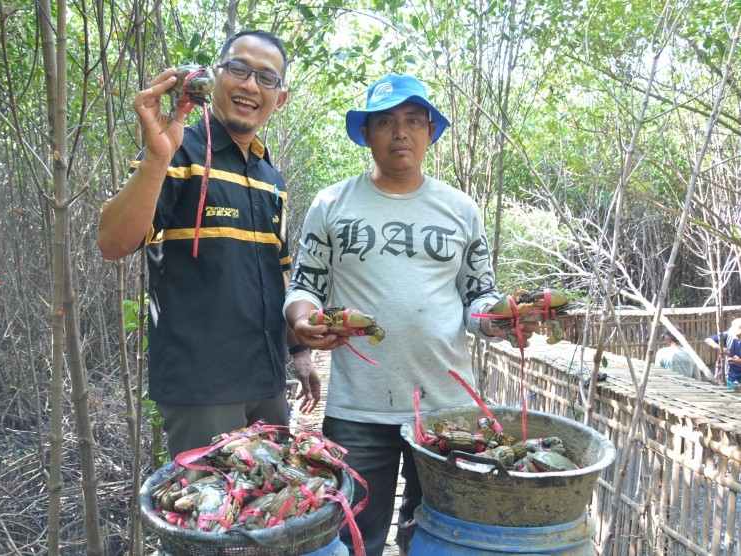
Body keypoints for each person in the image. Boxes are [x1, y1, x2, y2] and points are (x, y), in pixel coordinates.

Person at [284, 74, 535, 556]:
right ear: (367, 134)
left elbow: (479, 300)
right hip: (359, 408)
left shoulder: (460, 209)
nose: (401, 132)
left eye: (414, 121)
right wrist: (302, 320)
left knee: (440, 535)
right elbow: (305, 287)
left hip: (446, 411)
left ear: (430, 132)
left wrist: (504, 319)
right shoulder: (331, 204)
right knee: (354, 535)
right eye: (387, 122)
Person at [97, 29, 319, 458]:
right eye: (239, 69)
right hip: (204, 387)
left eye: (266, 78)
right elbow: (112, 242)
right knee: (211, 516)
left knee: (269, 508)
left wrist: (300, 352)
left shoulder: (271, 177)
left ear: (280, 98)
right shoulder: (178, 148)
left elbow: (279, 272)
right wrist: (158, 158)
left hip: (268, 381)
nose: (251, 85)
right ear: (214, 78)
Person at [705, 318, 741, 390]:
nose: (737, 336)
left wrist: (739, 361)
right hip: (731, 376)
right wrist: (720, 348)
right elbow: (708, 340)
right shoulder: (728, 335)